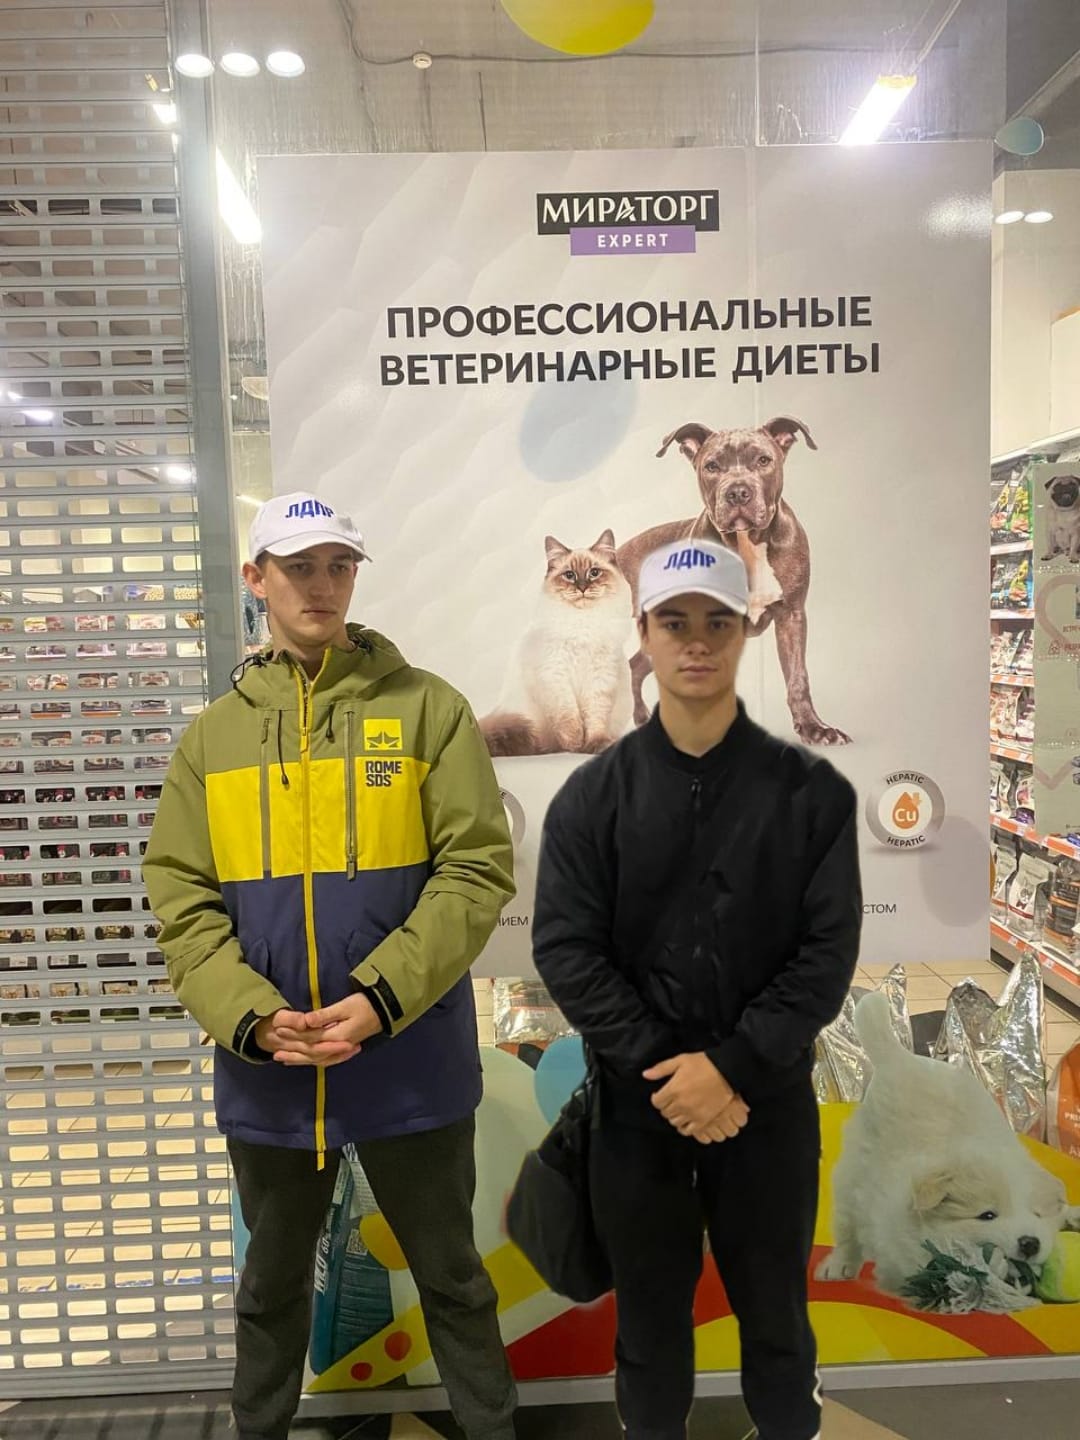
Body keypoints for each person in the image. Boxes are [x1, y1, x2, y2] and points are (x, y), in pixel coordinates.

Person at [144, 492, 517, 1440]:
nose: (321, 586)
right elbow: (181, 898)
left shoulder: (429, 710)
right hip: (270, 1067)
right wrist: (250, 1015)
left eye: (338, 566)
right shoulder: (211, 739)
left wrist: (381, 997)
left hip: (409, 1057)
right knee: (270, 1290)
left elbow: (475, 870)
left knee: (454, 1281)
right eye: (298, 566)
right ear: (256, 578)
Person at [532, 538, 862, 1440]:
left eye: (718, 622)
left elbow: (826, 953)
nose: (697, 642)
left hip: (766, 1106)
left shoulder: (810, 794)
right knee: (647, 1330)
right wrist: (665, 1068)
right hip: (637, 1115)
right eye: (674, 622)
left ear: (747, 629)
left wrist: (733, 1067)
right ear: (642, 632)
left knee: (778, 1322)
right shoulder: (592, 798)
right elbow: (567, 948)